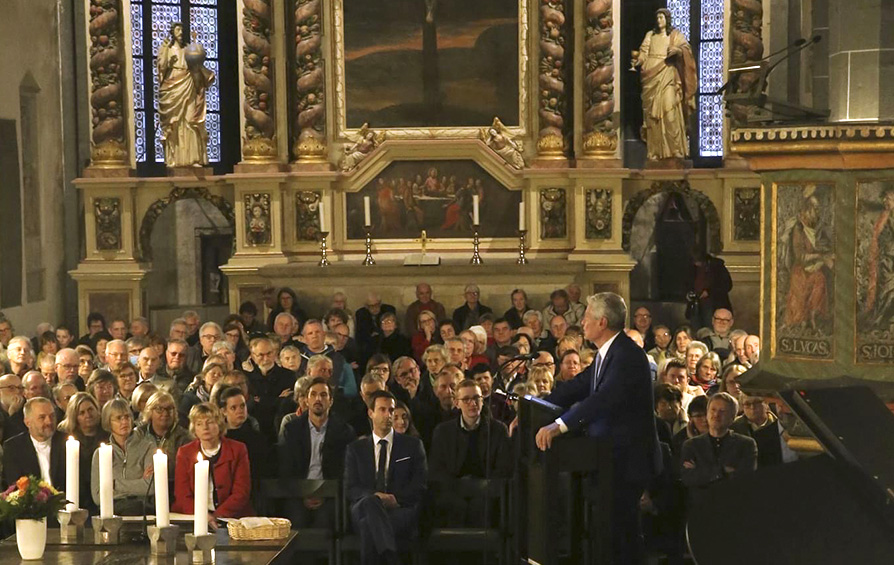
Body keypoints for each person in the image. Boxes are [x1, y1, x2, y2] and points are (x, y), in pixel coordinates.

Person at [534, 292, 660, 565]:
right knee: (611, 535)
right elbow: (579, 385)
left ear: (602, 322)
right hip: (607, 459)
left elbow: (603, 399)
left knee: (623, 537)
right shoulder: (609, 352)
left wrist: (559, 425)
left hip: (626, 461)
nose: (582, 321)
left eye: (587, 316)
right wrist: (537, 404)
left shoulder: (627, 355)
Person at [344, 390, 427, 565]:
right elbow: (351, 488)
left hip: (399, 508)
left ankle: (389, 557)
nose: (388, 415)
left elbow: (419, 484)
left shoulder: (412, 445)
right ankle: (392, 558)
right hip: (363, 507)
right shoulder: (355, 449)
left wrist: (395, 499)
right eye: (382, 410)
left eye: (391, 410)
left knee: (369, 526)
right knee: (370, 502)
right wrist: (376, 497)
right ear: (370, 413)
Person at [278, 377, 356, 527]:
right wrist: (303, 495)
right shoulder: (292, 430)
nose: (318, 399)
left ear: (331, 401)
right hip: (298, 494)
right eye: (313, 394)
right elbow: (285, 469)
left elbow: (345, 472)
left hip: (331, 495)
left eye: (323, 395)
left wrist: (326, 494)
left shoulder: (344, 431)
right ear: (306, 400)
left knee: (325, 521)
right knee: (296, 519)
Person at [632, 8, 696, 161]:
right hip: (650, 76)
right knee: (653, 118)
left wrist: (678, 51)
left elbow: (686, 50)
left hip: (667, 74)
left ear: (667, 19)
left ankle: (675, 150)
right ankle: (655, 152)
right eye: (658, 17)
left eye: (662, 17)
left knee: (670, 112)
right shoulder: (650, 35)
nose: (659, 20)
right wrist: (638, 60)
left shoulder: (675, 35)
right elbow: (643, 52)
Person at [173, 403, 253, 520]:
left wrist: (216, 516)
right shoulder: (185, 452)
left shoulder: (238, 449)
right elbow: (182, 494)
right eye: (199, 424)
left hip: (231, 517)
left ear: (219, 424)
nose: (205, 427)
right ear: (194, 428)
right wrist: (203, 516)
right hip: (195, 516)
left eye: (210, 422)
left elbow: (241, 492)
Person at [156, 21, 215, 167]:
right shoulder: (167, 49)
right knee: (175, 123)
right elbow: (161, 67)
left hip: (188, 84)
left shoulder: (187, 50)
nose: (180, 32)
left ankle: (194, 159)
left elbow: (197, 65)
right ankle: (175, 160)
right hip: (173, 86)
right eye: (177, 29)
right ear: (172, 32)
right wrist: (166, 57)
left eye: (182, 30)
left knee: (190, 119)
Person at [680, 393, 757, 506]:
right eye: (713, 410)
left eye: (722, 411)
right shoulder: (691, 445)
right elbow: (688, 478)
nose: (716, 415)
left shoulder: (746, 444)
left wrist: (702, 471)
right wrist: (722, 471)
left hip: (734, 506)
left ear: (732, 418)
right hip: (701, 508)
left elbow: (746, 479)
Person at [90, 398, 154, 515]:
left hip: (142, 510)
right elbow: (98, 497)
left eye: (127, 417)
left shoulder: (148, 447)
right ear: (108, 422)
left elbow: (151, 487)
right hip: (112, 511)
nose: (124, 422)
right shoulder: (101, 454)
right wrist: (138, 482)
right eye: (119, 418)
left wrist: (114, 485)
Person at [58, 392, 108, 513]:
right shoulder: (65, 440)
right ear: (75, 417)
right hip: (78, 497)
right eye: (82, 413)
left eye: (91, 409)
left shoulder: (108, 437)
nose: (88, 415)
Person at [3, 397, 66, 488]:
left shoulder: (67, 442)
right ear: (28, 422)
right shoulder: (13, 447)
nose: (49, 421)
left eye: (52, 416)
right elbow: (14, 485)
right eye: (42, 417)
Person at [133, 390, 191, 478]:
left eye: (169, 409)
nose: (165, 413)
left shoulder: (184, 438)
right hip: (143, 487)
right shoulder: (139, 434)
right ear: (150, 412)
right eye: (159, 409)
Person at [731, 395, 796, 468]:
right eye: (747, 404)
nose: (752, 407)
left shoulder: (778, 425)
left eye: (757, 402)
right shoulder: (734, 429)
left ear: (766, 403)